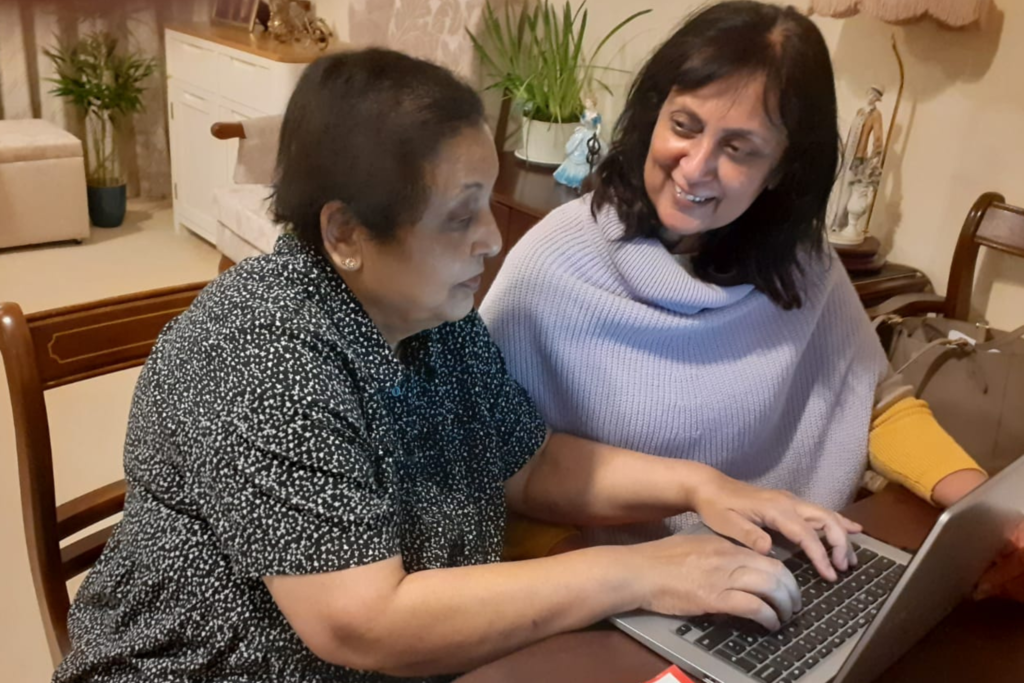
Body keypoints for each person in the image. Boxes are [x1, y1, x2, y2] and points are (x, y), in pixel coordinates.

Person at [53, 48, 868, 683]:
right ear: (345, 234)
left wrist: (699, 484)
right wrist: (638, 571)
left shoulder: (426, 314)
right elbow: (361, 622)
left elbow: (529, 459)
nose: (491, 238)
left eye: (488, 201)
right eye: (458, 215)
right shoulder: (263, 353)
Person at [481, 0, 1021, 592]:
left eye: (739, 149)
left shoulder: (800, 262)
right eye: (684, 126)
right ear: (653, 114)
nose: (696, 167)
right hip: (607, 591)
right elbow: (494, 475)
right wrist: (614, 592)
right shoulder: (552, 264)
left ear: (783, 168)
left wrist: (988, 512)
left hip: (793, 568)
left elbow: (874, 402)